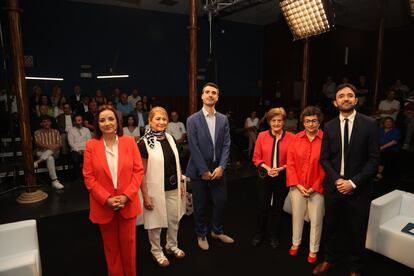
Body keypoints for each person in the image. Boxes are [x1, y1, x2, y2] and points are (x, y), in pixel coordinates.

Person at [313, 83, 380, 276]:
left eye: (350, 95)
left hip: (359, 189)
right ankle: (328, 259)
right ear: (335, 102)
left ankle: (355, 267)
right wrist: (337, 181)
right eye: (341, 96)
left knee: (356, 229)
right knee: (331, 227)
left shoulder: (369, 124)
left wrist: (352, 183)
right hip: (334, 188)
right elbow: (324, 159)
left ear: (356, 100)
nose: (346, 98)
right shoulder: (329, 126)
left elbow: (374, 159)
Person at [83, 105, 143, 276]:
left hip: (127, 203)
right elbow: (89, 178)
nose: (107, 123)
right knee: (111, 248)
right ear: (97, 124)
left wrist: (126, 196)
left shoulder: (129, 142)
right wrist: (106, 198)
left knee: (129, 246)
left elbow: (138, 171)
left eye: (111, 118)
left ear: (117, 122)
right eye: (102, 120)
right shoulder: (91, 146)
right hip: (104, 205)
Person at [186, 82, 233, 250]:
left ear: (218, 97)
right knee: (200, 205)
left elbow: (227, 144)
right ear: (202, 96)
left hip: (218, 169)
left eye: (214, 93)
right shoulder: (192, 120)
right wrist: (203, 170)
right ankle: (201, 234)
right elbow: (193, 146)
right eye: (207, 92)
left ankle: (217, 231)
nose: (210, 95)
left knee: (221, 202)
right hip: (199, 170)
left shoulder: (223, 119)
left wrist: (222, 167)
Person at [138, 107, 186, 267]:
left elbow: (177, 164)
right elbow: (141, 172)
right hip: (154, 190)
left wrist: (181, 183)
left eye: (164, 119)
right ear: (150, 121)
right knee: (156, 223)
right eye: (157, 119)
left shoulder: (170, 138)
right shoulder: (144, 142)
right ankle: (156, 251)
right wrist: (145, 196)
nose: (161, 122)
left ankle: (171, 245)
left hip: (173, 187)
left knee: (174, 219)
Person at [251, 107, 295, 249]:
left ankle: (274, 235)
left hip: (282, 177)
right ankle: (259, 233)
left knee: (277, 208)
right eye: (273, 120)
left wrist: (281, 168)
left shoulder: (292, 138)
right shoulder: (262, 136)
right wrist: (268, 169)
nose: (276, 123)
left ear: (283, 122)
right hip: (265, 175)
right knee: (262, 207)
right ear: (269, 122)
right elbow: (256, 158)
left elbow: (293, 160)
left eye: (279, 121)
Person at [286, 106, 325, 263]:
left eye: (314, 121)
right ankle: (296, 243)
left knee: (316, 220)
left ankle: (313, 249)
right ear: (303, 122)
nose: (310, 124)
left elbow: (326, 166)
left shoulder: (326, 140)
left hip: (317, 188)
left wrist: (314, 186)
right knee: (297, 216)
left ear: (319, 122)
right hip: (298, 187)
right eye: (307, 121)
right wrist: (297, 184)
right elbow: (290, 163)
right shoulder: (296, 139)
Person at [34, 115, 64, 190]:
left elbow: (60, 144)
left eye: (48, 121)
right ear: (41, 124)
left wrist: (50, 148)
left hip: (55, 152)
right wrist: (50, 147)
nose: (46, 123)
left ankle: (37, 162)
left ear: (51, 122)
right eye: (44, 122)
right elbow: (38, 143)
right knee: (50, 158)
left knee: (51, 152)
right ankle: (54, 181)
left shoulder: (55, 131)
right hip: (41, 152)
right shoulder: (37, 132)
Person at [68, 114, 91, 181]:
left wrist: (84, 150)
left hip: (85, 149)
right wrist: (78, 150)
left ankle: (87, 176)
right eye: (77, 120)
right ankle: (78, 177)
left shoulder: (86, 130)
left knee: (89, 158)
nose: (79, 122)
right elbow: (71, 143)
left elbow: (89, 141)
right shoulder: (71, 131)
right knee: (75, 159)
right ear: (74, 122)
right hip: (75, 149)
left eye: (80, 120)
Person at [376, 117, 400, 181]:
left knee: (383, 154)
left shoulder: (395, 131)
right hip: (378, 147)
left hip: (390, 149)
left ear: (392, 123)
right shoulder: (379, 129)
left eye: (390, 122)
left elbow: (394, 142)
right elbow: (374, 138)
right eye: (387, 121)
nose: (388, 123)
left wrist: (382, 147)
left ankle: (379, 173)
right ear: (384, 123)